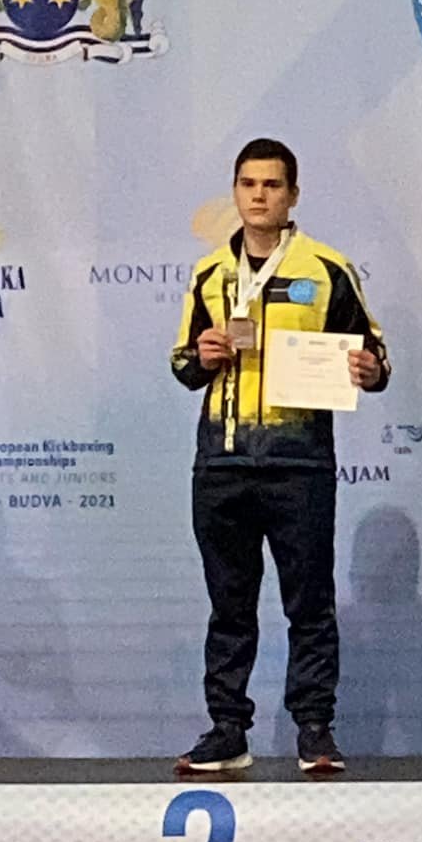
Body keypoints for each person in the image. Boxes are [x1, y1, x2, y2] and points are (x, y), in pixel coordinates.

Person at [169, 138, 389, 774]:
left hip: (299, 464)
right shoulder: (210, 273)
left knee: (309, 602)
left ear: (293, 195)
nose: (259, 196)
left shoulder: (328, 269)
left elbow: (374, 355)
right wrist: (200, 357)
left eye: (272, 185)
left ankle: (314, 729)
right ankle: (227, 730)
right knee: (229, 605)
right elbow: (182, 363)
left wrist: (371, 370)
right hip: (222, 463)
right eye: (248, 184)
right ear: (235, 193)